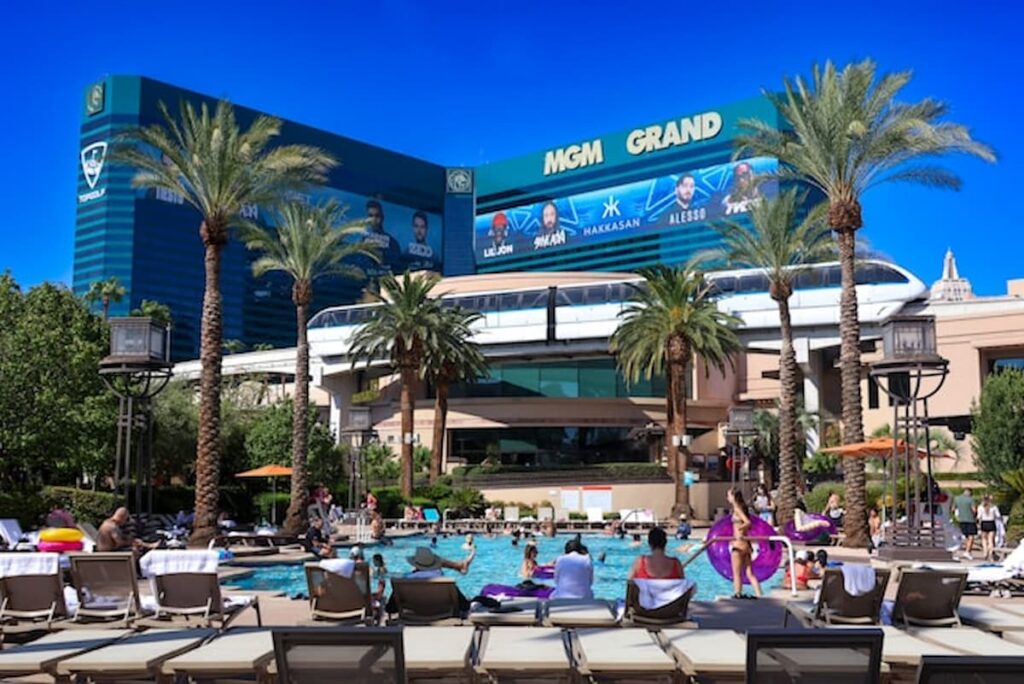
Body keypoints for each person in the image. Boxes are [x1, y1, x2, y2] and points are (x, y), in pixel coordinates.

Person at [384, 546, 476, 615]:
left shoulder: (403, 582)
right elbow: (464, 606)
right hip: (443, 619)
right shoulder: (444, 582)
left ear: (415, 565)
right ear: (434, 565)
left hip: (412, 620)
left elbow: (390, 609)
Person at [727, 487, 762, 599]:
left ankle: (738, 593)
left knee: (736, 573)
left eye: (728, 495)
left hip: (738, 544)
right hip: (746, 544)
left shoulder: (737, 509)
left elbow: (748, 522)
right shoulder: (742, 508)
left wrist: (739, 531)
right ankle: (759, 594)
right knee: (749, 573)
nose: (727, 498)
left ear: (733, 496)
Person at [363, 200, 402, 265]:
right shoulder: (363, 240)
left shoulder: (392, 242)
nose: (374, 220)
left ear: (382, 217)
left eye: (377, 216)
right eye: (370, 216)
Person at [953, 487, 978, 560]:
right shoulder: (971, 499)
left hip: (961, 520)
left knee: (963, 536)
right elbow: (974, 510)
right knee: (971, 536)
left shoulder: (957, 498)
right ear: (970, 492)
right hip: (970, 520)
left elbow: (953, 509)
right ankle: (967, 551)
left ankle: (956, 551)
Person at [978, 495, 1002, 560]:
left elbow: (978, 516)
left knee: (984, 539)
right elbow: (998, 515)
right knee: (990, 540)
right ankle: (990, 553)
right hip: (991, 523)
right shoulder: (994, 507)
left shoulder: (980, 507)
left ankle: (985, 552)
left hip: (984, 523)